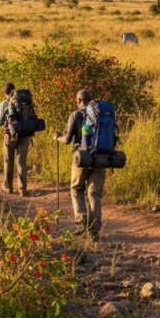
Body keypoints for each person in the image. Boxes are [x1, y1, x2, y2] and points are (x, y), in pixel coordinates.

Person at [55, 89, 104, 241]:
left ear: (78, 100)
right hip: (101, 157)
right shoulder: (100, 114)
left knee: (76, 188)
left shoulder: (76, 114)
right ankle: (94, 231)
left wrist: (57, 138)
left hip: (82, 157)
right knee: (94, 194)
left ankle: (81, 222)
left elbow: (67, 139)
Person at [0, 82, 30, 196]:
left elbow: (0, 122)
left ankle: (8, 187)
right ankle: (22, 189)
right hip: (25, 134)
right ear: (14, 90)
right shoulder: (25, 102)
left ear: (5, 93)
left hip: (10, 135)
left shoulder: (4, 104)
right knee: (21, 162)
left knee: (8, 161)